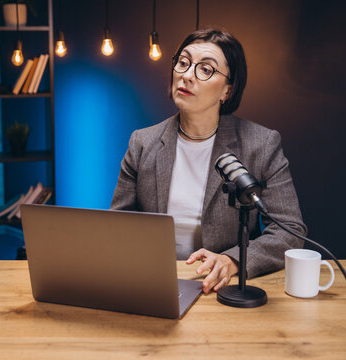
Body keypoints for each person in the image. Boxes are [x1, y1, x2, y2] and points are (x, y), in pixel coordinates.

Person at [111, 29, 307, 294]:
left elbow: (290, 230)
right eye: (183, 63)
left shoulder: (260, 144)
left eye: (206, 69)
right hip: (154, 283)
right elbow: (117, 226)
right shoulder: (142, 142)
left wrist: (233, 260)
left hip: (222, 289)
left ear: (227, 89)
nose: (187, 75)